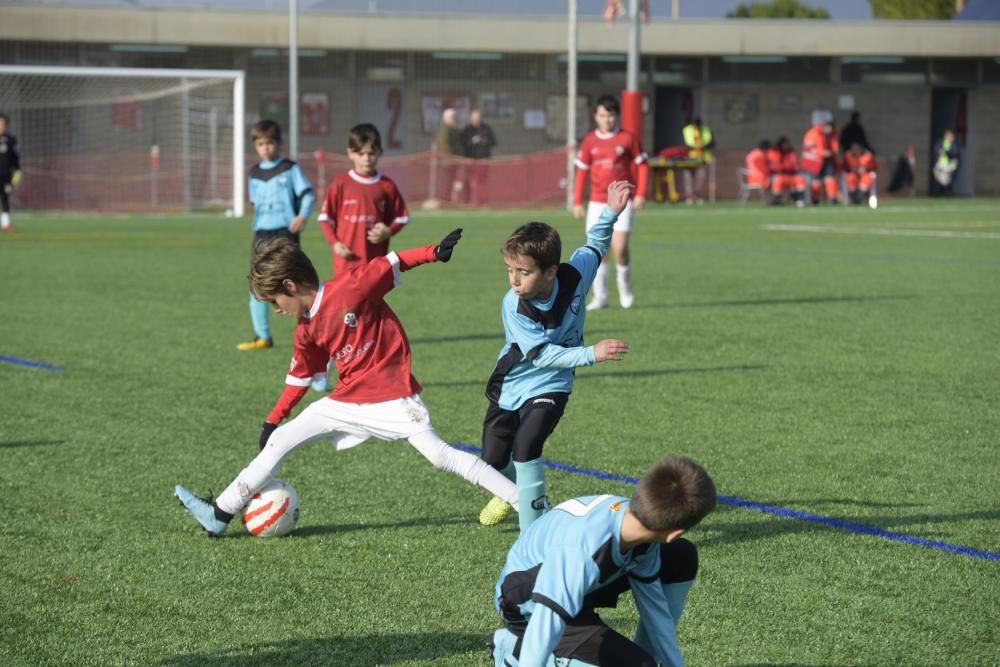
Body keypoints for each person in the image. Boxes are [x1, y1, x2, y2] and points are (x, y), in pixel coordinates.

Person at [174, 232, 521, 536]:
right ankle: (219, 514)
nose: (277, 310)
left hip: (391, 397)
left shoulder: (352, 287)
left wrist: (434, 252)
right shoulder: (305, 330)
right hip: (345, 401)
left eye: (275, 302)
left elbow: (393, 261)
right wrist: (272, 419)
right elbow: (299, 377)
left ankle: (525, 502)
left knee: (439, 456)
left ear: (290, 286)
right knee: (279, 441)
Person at [478, 181, 634, 531]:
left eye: (524, 272)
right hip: (515, 380)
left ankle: (533, 531)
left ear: (550, 272)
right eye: (509, 270)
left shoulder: (575, 274)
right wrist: (591, 353)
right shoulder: (513, 304)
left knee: (527, 445)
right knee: (490, 463)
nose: (514, 280)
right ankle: (510, 491)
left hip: (553, 383)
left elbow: (595, 244)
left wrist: (610, 212)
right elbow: (543, 354)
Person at [489, 455, 717, 667]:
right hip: (528, 606)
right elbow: (545, 623)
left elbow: (656, 611)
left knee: (680, 556)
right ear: (673, 533)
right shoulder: (581, 551)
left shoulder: (638, 523)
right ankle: (512, 649)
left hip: (578, 583)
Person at [237, 119, 315, 351]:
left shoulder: (290, 169)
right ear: (255, 146)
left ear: (278, 143)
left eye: (269, 143)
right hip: (262, 233)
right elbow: (254, 201)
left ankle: (311, 331)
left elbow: (308, 195)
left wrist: (302, 216)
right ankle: (262, 336)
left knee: (295, 283)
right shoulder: (254, 173)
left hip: (285, 233)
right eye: (260, 144)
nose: (265, 148)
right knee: (257, 282)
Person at [573, 95, 648, 311]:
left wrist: (641, 194)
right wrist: (577, 201)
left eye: (611, 115)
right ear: (596, 117)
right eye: (603, 115)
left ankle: (625, 289)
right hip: (597, 202)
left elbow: (642, 165)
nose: (607, 120)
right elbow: (581, 172)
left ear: (617, 116)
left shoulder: (628, 139)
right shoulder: (589, 141)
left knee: (620, 247)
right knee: (598, 249)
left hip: (622, 199)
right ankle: (600, 296)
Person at [317, 123, 409, 278]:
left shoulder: (386, 185)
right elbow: (326, 218)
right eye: (361, 153)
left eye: (371, 153)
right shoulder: (340, 183)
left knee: (371, 302)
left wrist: (388, 231)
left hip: (374, 264)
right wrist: (335, 243)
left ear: (380, 152)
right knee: (345, 302)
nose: (366, 158)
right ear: (350, 153)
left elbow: (402, 217)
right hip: (345, 263)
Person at [460, 109, 497, 206]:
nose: (477, 119)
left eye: (478, 118)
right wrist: (472, 141)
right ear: (471, 118)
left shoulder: (486, 128)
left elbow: (493, 142)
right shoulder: (467, 130)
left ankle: (482, 201)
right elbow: (463, 144)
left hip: (483, 159)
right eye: (475, 118)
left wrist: (483, 140)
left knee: (482, 182)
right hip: (470, 160)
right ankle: (468, 201)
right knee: (469, 181)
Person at [801, 120, 840, 204]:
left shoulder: (831, 135)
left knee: (830, 178)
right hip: (815, 162)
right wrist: (822, 153)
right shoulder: (813, 133)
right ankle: (815, 199)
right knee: (816, 181)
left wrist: (833, 152)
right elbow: (809, 148)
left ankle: (832, 198)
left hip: (827, 160)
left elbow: (834, 146)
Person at [681, 116, 714, 204]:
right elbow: (684, 144)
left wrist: (702, 147)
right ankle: (689, 197)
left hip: (702, 158)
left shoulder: (705, 130)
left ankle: (697, 194)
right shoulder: (687, 130)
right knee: (688, 177)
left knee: (701, 177)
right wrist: (694, 148)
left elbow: (712, 143)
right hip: (689, 158)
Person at [767, 137, 806, 207]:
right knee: (777, 180)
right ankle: (776, 199)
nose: (787, 146)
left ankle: (800, 200)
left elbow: (795, 165)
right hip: (779, 175)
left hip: (790, 175)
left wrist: (789, 167)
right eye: (785, 144)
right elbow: (775, 166)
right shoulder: (774, 152)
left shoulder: (791, 152)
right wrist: (786, 167)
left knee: (799, 179)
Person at [435, 108, 463, 203]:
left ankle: (450, 200)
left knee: (452, 182)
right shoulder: (445, 130)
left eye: (455, 117)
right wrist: (450, 158)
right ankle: (444, 200)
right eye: (452, 117)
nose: (454, 119)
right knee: (446, 182)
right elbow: (444, 145)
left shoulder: (454, 130)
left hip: (453, 161)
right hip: (447, 161)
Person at [0, 113, 22, 233]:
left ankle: (6, 224)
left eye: (2, 123)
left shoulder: (10, 139)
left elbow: (15, 160)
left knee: (5, 199)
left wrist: (17, 174)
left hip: (5, 177)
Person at [931, 129, 961, 196]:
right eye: (947, 135)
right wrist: (939, 151)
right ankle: (942, 190)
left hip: (949, 164)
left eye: (950, 135)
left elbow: (955, 152)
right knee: (938, 175)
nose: (949, 136)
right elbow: (936, 150)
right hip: (940, 163)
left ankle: (948, 191)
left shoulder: (954, 143)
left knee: (948, 179)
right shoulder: (941, 142)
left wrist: (946, 152)